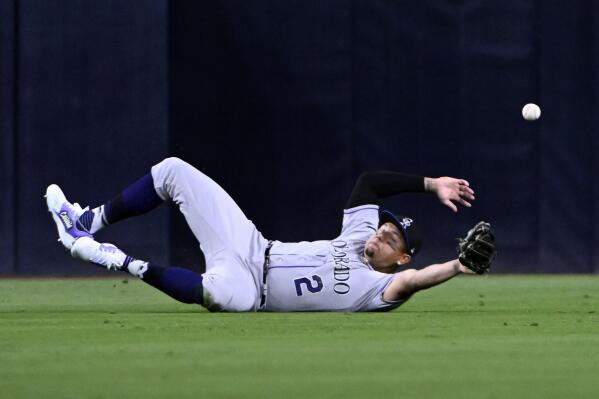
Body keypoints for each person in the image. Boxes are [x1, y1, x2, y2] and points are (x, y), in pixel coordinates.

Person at [45, 157, 489, 312]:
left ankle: (112, 258)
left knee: (222, 298)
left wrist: (458, 266)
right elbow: (370, 183)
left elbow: (417, 281)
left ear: (401, 258)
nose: (380, 237)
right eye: (385, 228)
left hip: (252, 292)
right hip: (252, 245)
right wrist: (430, 185)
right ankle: (88, 223)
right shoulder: (359, 236)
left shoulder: (380, 287)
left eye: (392, 241)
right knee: (173, 172)